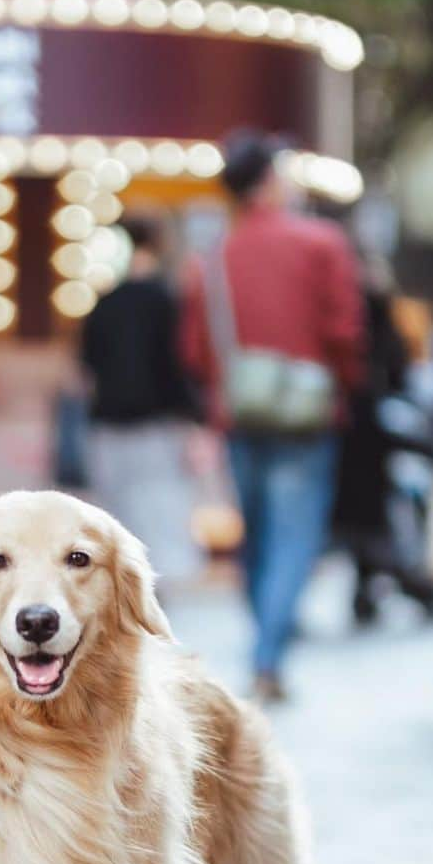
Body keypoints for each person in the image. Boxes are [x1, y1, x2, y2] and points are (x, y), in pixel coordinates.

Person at [181, 131, 364, 702]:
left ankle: (265, 645)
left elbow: (194, 349)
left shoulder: (211, 260)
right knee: (293, 538)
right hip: (307, 413)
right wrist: (342, 383)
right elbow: (345, 332)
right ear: (268, 181)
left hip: (239, 412)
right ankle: (268, 656)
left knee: (255, 538)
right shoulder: (321, 244)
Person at [80, 216, 202, 583]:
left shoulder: (104, 305)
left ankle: (123, 584)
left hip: (108, 424)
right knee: (160, 510)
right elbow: (180, 365)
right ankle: (152, 586)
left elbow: (87, 368)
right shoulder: (167, 301)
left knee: (115, 512)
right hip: (156, 425)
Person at [334, 262, 433, 623]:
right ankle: (402, 587)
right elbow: (400, 372)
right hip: (376, 435)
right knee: (385, 521)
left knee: (369, 523)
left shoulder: (347, 317)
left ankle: (372, 590)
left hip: (351, 435)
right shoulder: (382, 318)